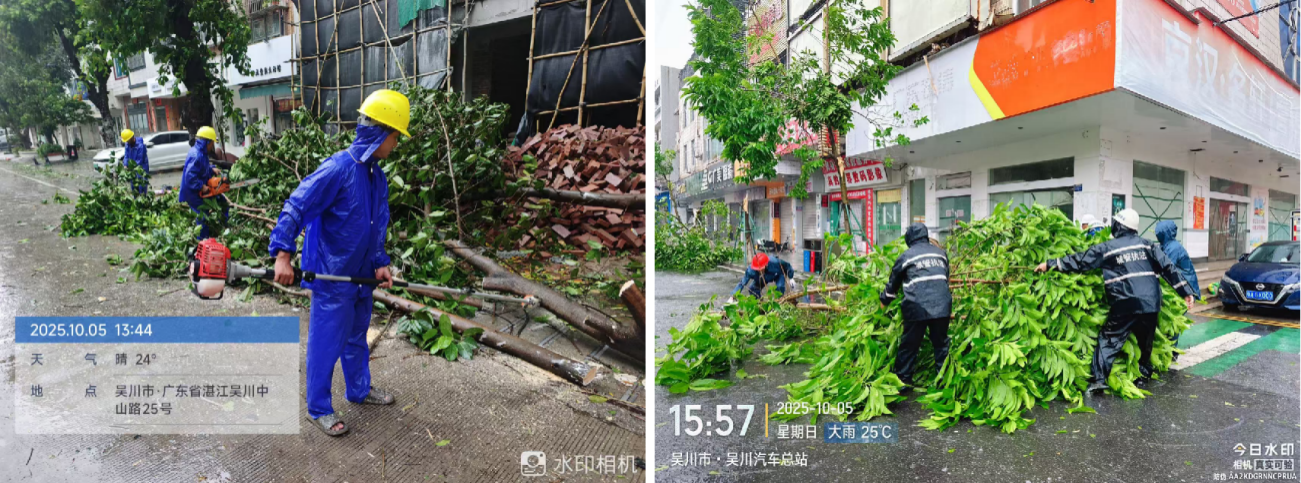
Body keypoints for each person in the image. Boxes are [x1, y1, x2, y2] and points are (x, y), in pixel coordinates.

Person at [268, 89, 410, 437]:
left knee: (357, 336)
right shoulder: (338, 169)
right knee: (326, 343)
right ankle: (318, 408)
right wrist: (283, 255)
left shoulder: (376, 177)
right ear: (380, 132)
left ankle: (359, 390)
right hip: (332, 276)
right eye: (395, 137)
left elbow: (376, 224)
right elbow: (296, 206)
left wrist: (379, 262)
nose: (396, 144)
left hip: (361, 277)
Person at [1035, 209, 1196, 394]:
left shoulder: (1108, 248)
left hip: (1125, 301)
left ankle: (1098, 380)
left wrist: (1051, 264)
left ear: (1119, 226)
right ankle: (1144, 372)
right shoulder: (1147, 245)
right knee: (1146, 341)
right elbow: (1168, 267)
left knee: (1110, 339)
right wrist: (1185, 291)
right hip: (1151, 302)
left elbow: (1081, 260)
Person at [880, 223, 952, 387]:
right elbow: (944, 279)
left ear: (909, 239)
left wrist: (882, 305)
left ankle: (903, 381)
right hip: (942, 305)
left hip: (916, 307)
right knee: (940, 345)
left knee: (909, 345)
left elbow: (892, 287)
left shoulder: (906, 256)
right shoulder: (941, 254)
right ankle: (943, 382)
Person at [1155, 220, 1201, 360]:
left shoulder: (1173, 248)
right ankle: (1169, 351)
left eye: (1159, 232)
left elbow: (1166, 268)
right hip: (1178, 287)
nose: (1157, 235)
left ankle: (1171, 353)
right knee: (1170, 320)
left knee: (1173, 321)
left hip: (1183, 288)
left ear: (1165, 233)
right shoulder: (1165, 246)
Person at [178, 126, 229, 239]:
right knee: (203, 216)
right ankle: (202, 241)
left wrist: (211, 169)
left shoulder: (201, 152)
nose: (212, 146)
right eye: (212, 143)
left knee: (223, 202)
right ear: (207, 141)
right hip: (192, 192)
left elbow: (201, 168)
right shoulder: (196, 155)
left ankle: (225, 227)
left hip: (196, 188)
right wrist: (202, 187)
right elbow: (190, 177)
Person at [727, 253, 794, 302]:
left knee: (780, 287)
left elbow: (787, 265)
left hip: (777, 275)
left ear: (766, 264)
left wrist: (791, 277)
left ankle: (780, 302)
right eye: (757, 269)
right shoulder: (751, 270)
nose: (759, 270)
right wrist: (732, 296)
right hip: (762, 278)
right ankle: (759, 304)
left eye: (761, 268)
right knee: (752, 289)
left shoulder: (774, 262)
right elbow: (742, 283)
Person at [120, 129, 149, 194]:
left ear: (131, 138)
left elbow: (139, 160)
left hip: (142, 168)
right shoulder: (127, 145)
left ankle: (143, 201)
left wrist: (130, 167)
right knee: (134, 187)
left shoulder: (141, 146)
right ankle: (136, 200)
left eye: (127, 140)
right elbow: (126, 156)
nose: (126, 142)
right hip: (132, 169)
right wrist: (125, 164)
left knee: (142, 186)